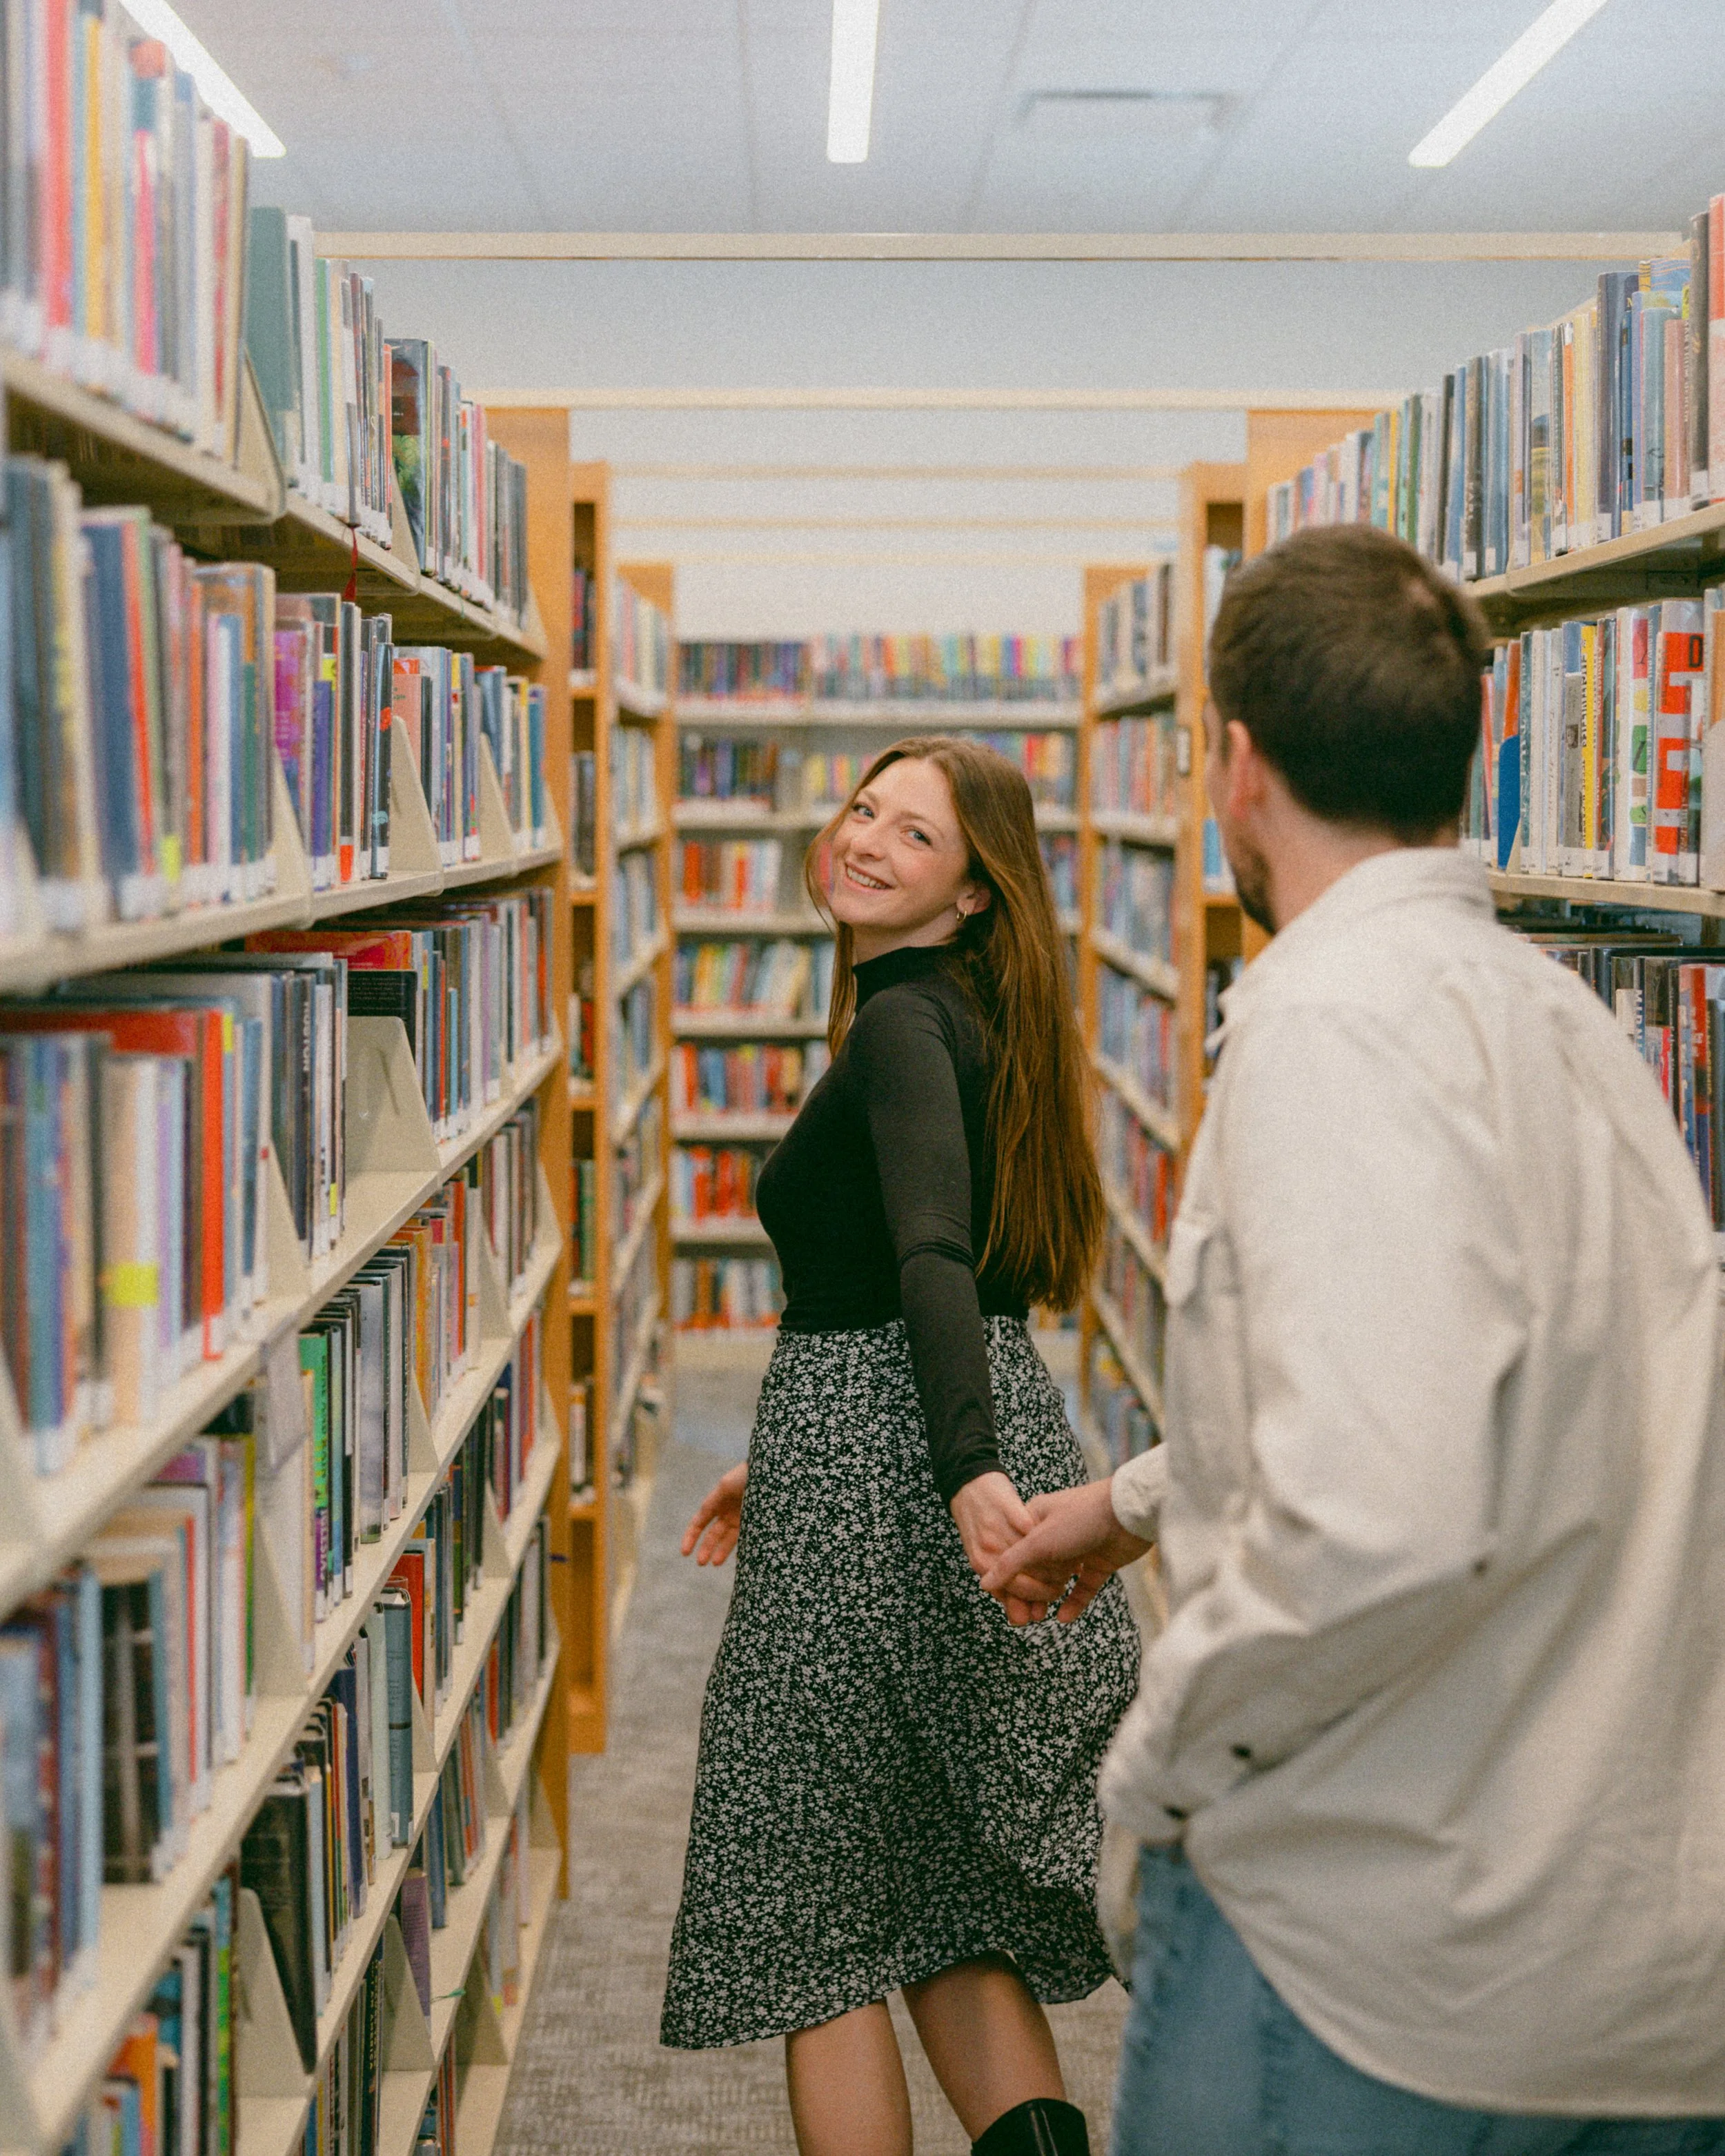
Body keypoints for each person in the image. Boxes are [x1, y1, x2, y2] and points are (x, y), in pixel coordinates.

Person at [983, 522, 1725, 2154]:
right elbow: (1485, 1371)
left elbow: (1376, 1510)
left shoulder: (1328, 1027)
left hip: (1379, 1949)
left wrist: (1160, 1764)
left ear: (1234, 766)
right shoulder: (1566, 1022)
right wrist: (1126, 1506)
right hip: (1629, 1948)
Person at [660, 736, 1142, 2156]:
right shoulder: (969, 1011)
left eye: (911, 835)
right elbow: (914, 1265)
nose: (862, 839)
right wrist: (799, 1458)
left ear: (973, 891)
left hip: (902, 1460)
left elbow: (932, 1253)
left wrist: (951, 1469)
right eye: (861, 808)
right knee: (940, 1896)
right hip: (886, 1440)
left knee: (817, 1918)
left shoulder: (894, 1024)